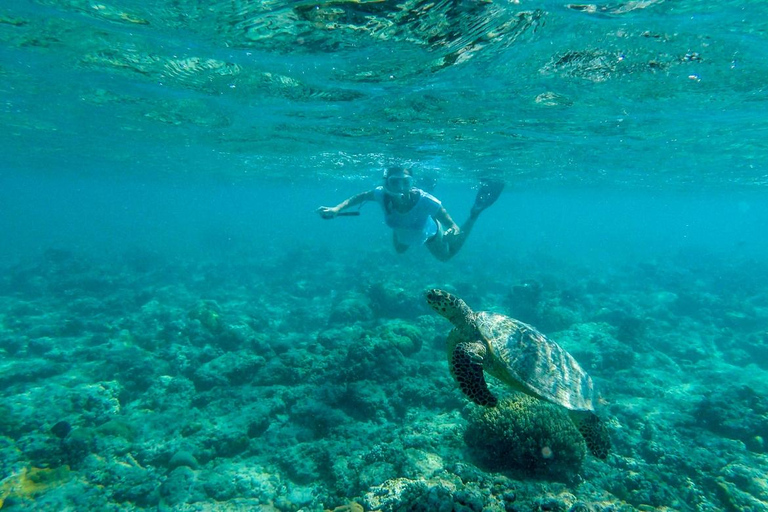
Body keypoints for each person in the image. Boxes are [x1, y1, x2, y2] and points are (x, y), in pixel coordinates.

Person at [316, 167, 504, 262]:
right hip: (402, 231)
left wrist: (452, 231)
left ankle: (475, 213)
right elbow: (360, 197)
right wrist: (336, 209)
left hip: (430, 233)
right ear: (386, 183)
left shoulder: (427, 201)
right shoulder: (381, 194)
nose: (401, 188)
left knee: (446, 256)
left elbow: (451, 224)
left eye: (406, 182)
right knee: (400, 250)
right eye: (395, 182)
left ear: (412, 183)